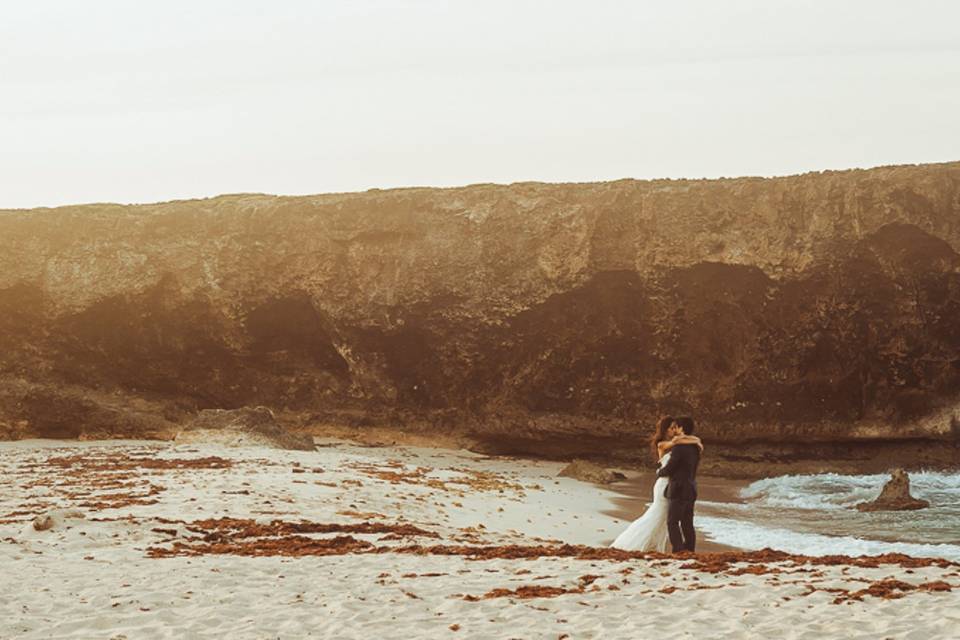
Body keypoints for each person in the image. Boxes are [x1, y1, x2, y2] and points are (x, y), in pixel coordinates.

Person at [610, 416, 702, 551]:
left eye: (675, 427)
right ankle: (680, 549)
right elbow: (684, 442)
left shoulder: (681, 444)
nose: (674, 430)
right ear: (665, 430)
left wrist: (693, 440)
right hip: (666, 485)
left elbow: (685, 443)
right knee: (664, 516)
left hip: (674, 485)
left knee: (669, 519)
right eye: (671, 428)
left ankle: (674, 548)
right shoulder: (664, 444)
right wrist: (696, 441)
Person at [655, 415, 701, 552]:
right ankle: (690, 549)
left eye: (677, 427)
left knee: (672, 522)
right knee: (687, 523)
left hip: (678, 489)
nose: (675, 430)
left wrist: (659, 472)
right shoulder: (696, 448)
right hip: (691, 487)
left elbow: (670, 469)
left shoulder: (679, 448)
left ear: (681, 428)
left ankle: (679, 550)